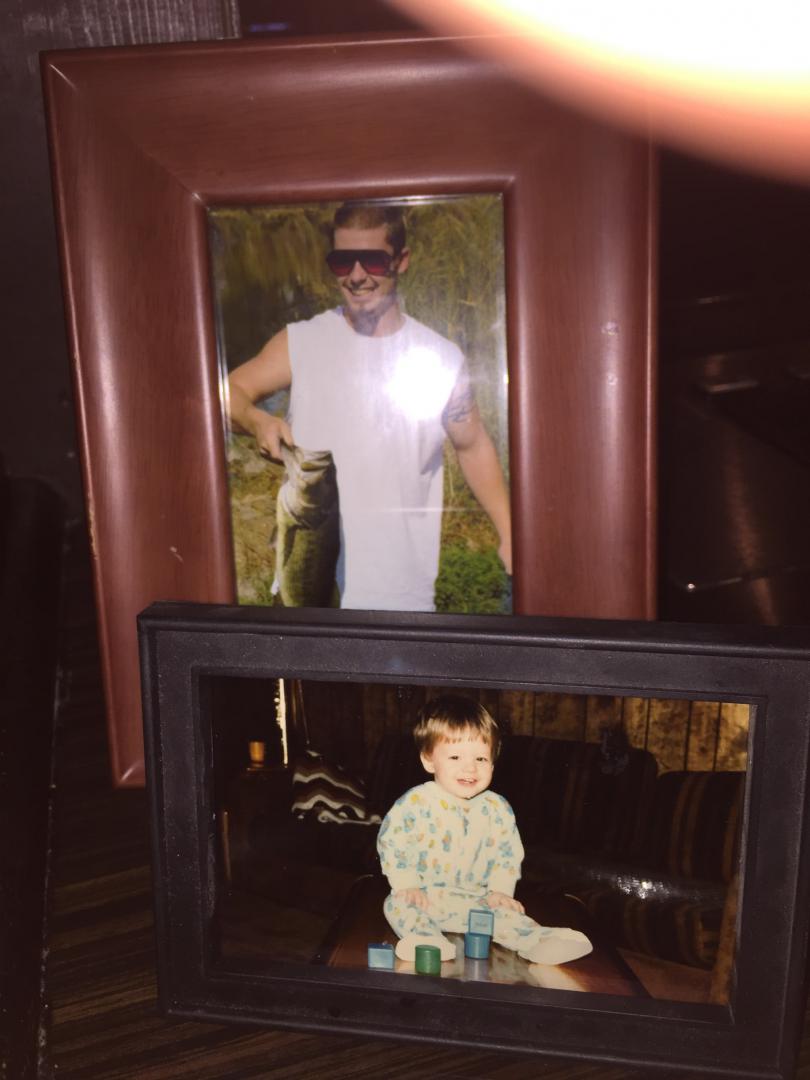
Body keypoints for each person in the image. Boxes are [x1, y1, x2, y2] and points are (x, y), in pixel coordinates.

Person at [227, 201, 511, 612]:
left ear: (401, 260)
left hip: (403, 597)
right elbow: (229, 392)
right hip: (307, 592)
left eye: (373, 261)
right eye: (342, 262)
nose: (357, 276)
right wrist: (256, 421)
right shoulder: (300, 342)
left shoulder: (440, 357)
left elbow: (473, 445)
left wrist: (509, 533)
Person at [376, 695, 593, 965]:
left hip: (478, 901)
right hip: (426, 896)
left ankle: (538, 941)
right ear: (429, 760)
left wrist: (500, 891)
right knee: (396, 905)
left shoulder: (497, 809)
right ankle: (426, 940)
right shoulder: (414, 803)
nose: (470, 767)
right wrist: (407, 884)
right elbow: (393, 843)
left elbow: (506, 855)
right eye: (455, 756)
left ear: (492, 763)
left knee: (507, 915)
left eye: (481, 758)